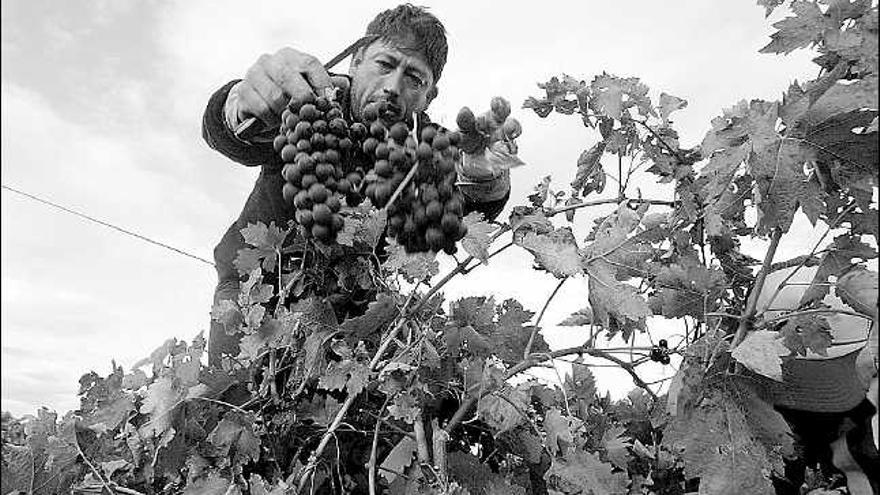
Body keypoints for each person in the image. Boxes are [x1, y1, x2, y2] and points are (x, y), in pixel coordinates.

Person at [201, 4, 521, 366]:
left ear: (429, 97)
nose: (393, 87)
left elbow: (464, 210)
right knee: (231, 404)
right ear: (354, 61)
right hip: (253, 293)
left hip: (351, 316)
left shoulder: (428, 149)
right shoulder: (307, 103)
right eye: (384, 65)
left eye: (414, 78)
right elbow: (229, 133)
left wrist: (484, 180)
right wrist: (238, 106)